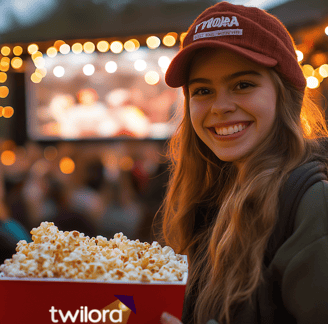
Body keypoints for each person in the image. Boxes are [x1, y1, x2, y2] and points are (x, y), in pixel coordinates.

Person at [156, 2, 328, 324]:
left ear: (285, 93)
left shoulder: (312, 201)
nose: (220, 107)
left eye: (243, 84)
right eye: (203, 90)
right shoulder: (209, 199)